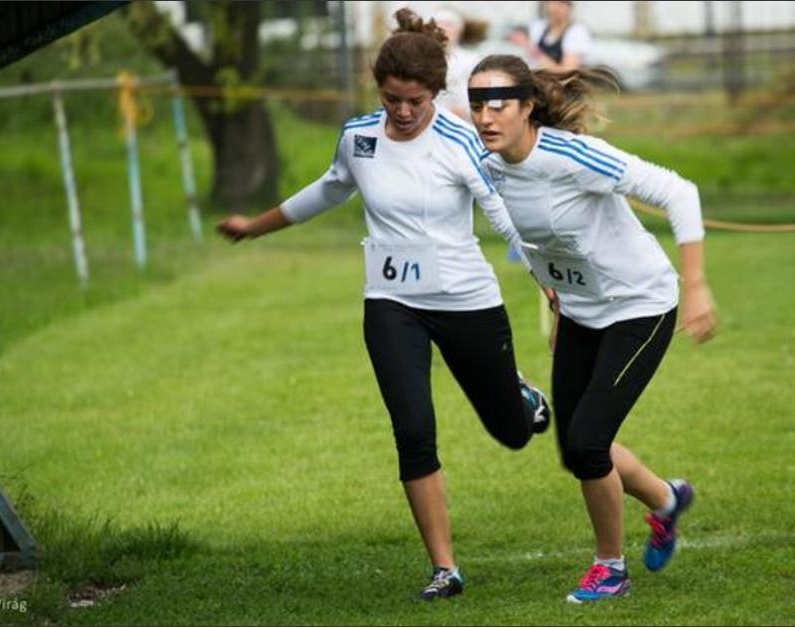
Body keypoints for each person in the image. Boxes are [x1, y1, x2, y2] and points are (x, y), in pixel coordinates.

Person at [216, 11, 550, 601]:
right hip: (391, 302)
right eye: (392, 98)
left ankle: (520, 396)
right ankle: (444, 568)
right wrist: (255, 226)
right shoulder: (359, 138)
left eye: (414, 100)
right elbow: (327, 188)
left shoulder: (458, 140)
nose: (402, 111)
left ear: (434, 93)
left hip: (466, 300)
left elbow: (500, 213)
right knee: (413, 430)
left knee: (514, 432)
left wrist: (545, 277)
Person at [466, 55, 718, 603]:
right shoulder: (485, 165)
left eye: (498, 104)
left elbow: (680, 192)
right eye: (477, 104)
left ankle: (611, 568)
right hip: (581, 311)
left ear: (529, 107)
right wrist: (558, 302)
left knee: (586, 442)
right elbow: (533, 240)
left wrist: (696, 285)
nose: (485, 116)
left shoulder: (571, 156)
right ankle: (668, 500)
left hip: (641, 306)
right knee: (579, 449)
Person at [433, 7, 482, 121]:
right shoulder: (423, 58)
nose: (444, 29)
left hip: (463, 122)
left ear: (459, 30)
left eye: (449, 25)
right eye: (440, 25)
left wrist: (465, 110)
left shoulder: (471, 60)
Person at [527, 1, 592, 71]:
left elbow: (567, 72)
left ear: (569, 7)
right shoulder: (539, 27)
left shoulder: (577, 32)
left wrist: (537, 54)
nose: (554, 8)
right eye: (551, 3)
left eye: (560, 4)